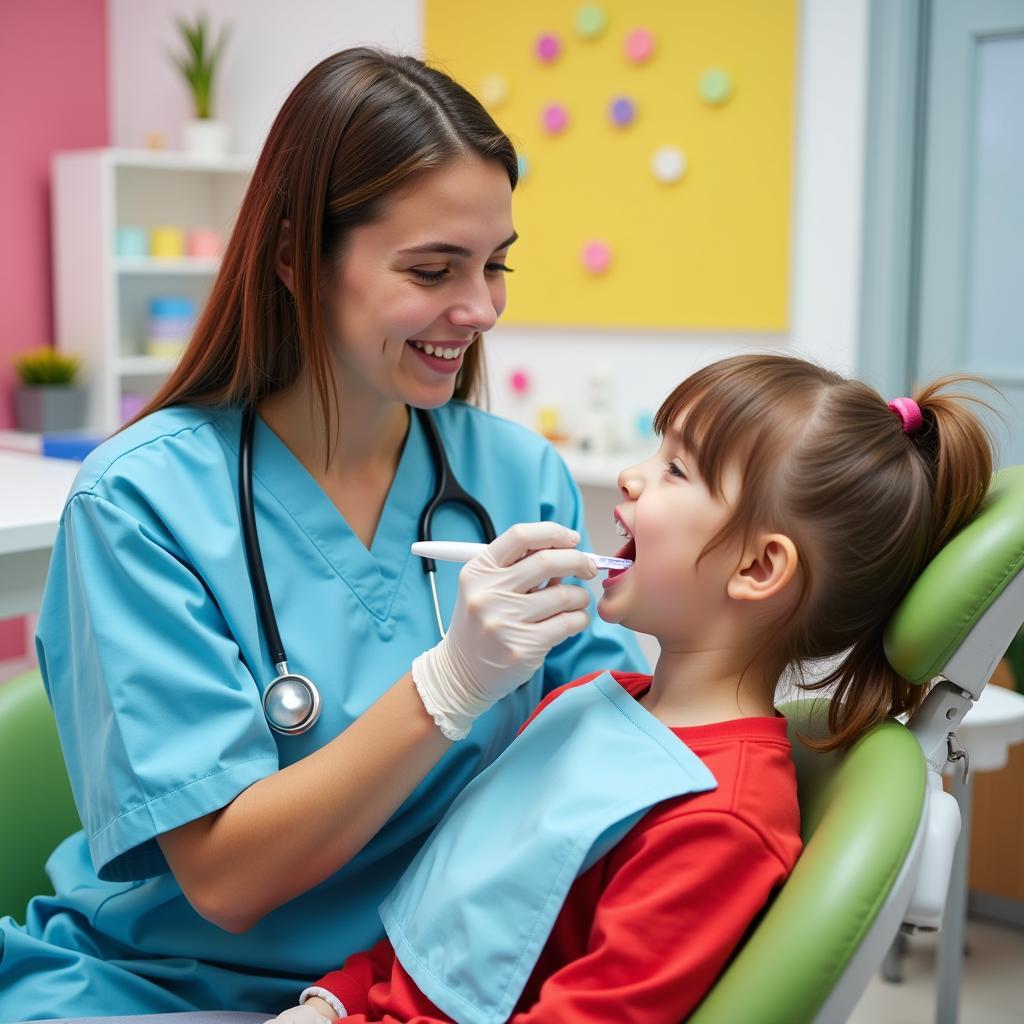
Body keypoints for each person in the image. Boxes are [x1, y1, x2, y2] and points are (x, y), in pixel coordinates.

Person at [0, 49, 647, 1020]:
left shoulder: (517, 479)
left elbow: (598, 751)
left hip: (428, 987)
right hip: (167, 986)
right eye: (433, 268)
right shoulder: (141, 506)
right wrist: (447, 684)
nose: (480, 308)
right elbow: (225, 880)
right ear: (298, 256)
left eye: (495, 264)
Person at [264, 354, 995, 1024]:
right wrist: (332, 1003)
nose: (631, 477)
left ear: (758, 570)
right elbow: (440, 923)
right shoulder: (588, 703)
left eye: (677, 470)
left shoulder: (719, 821)